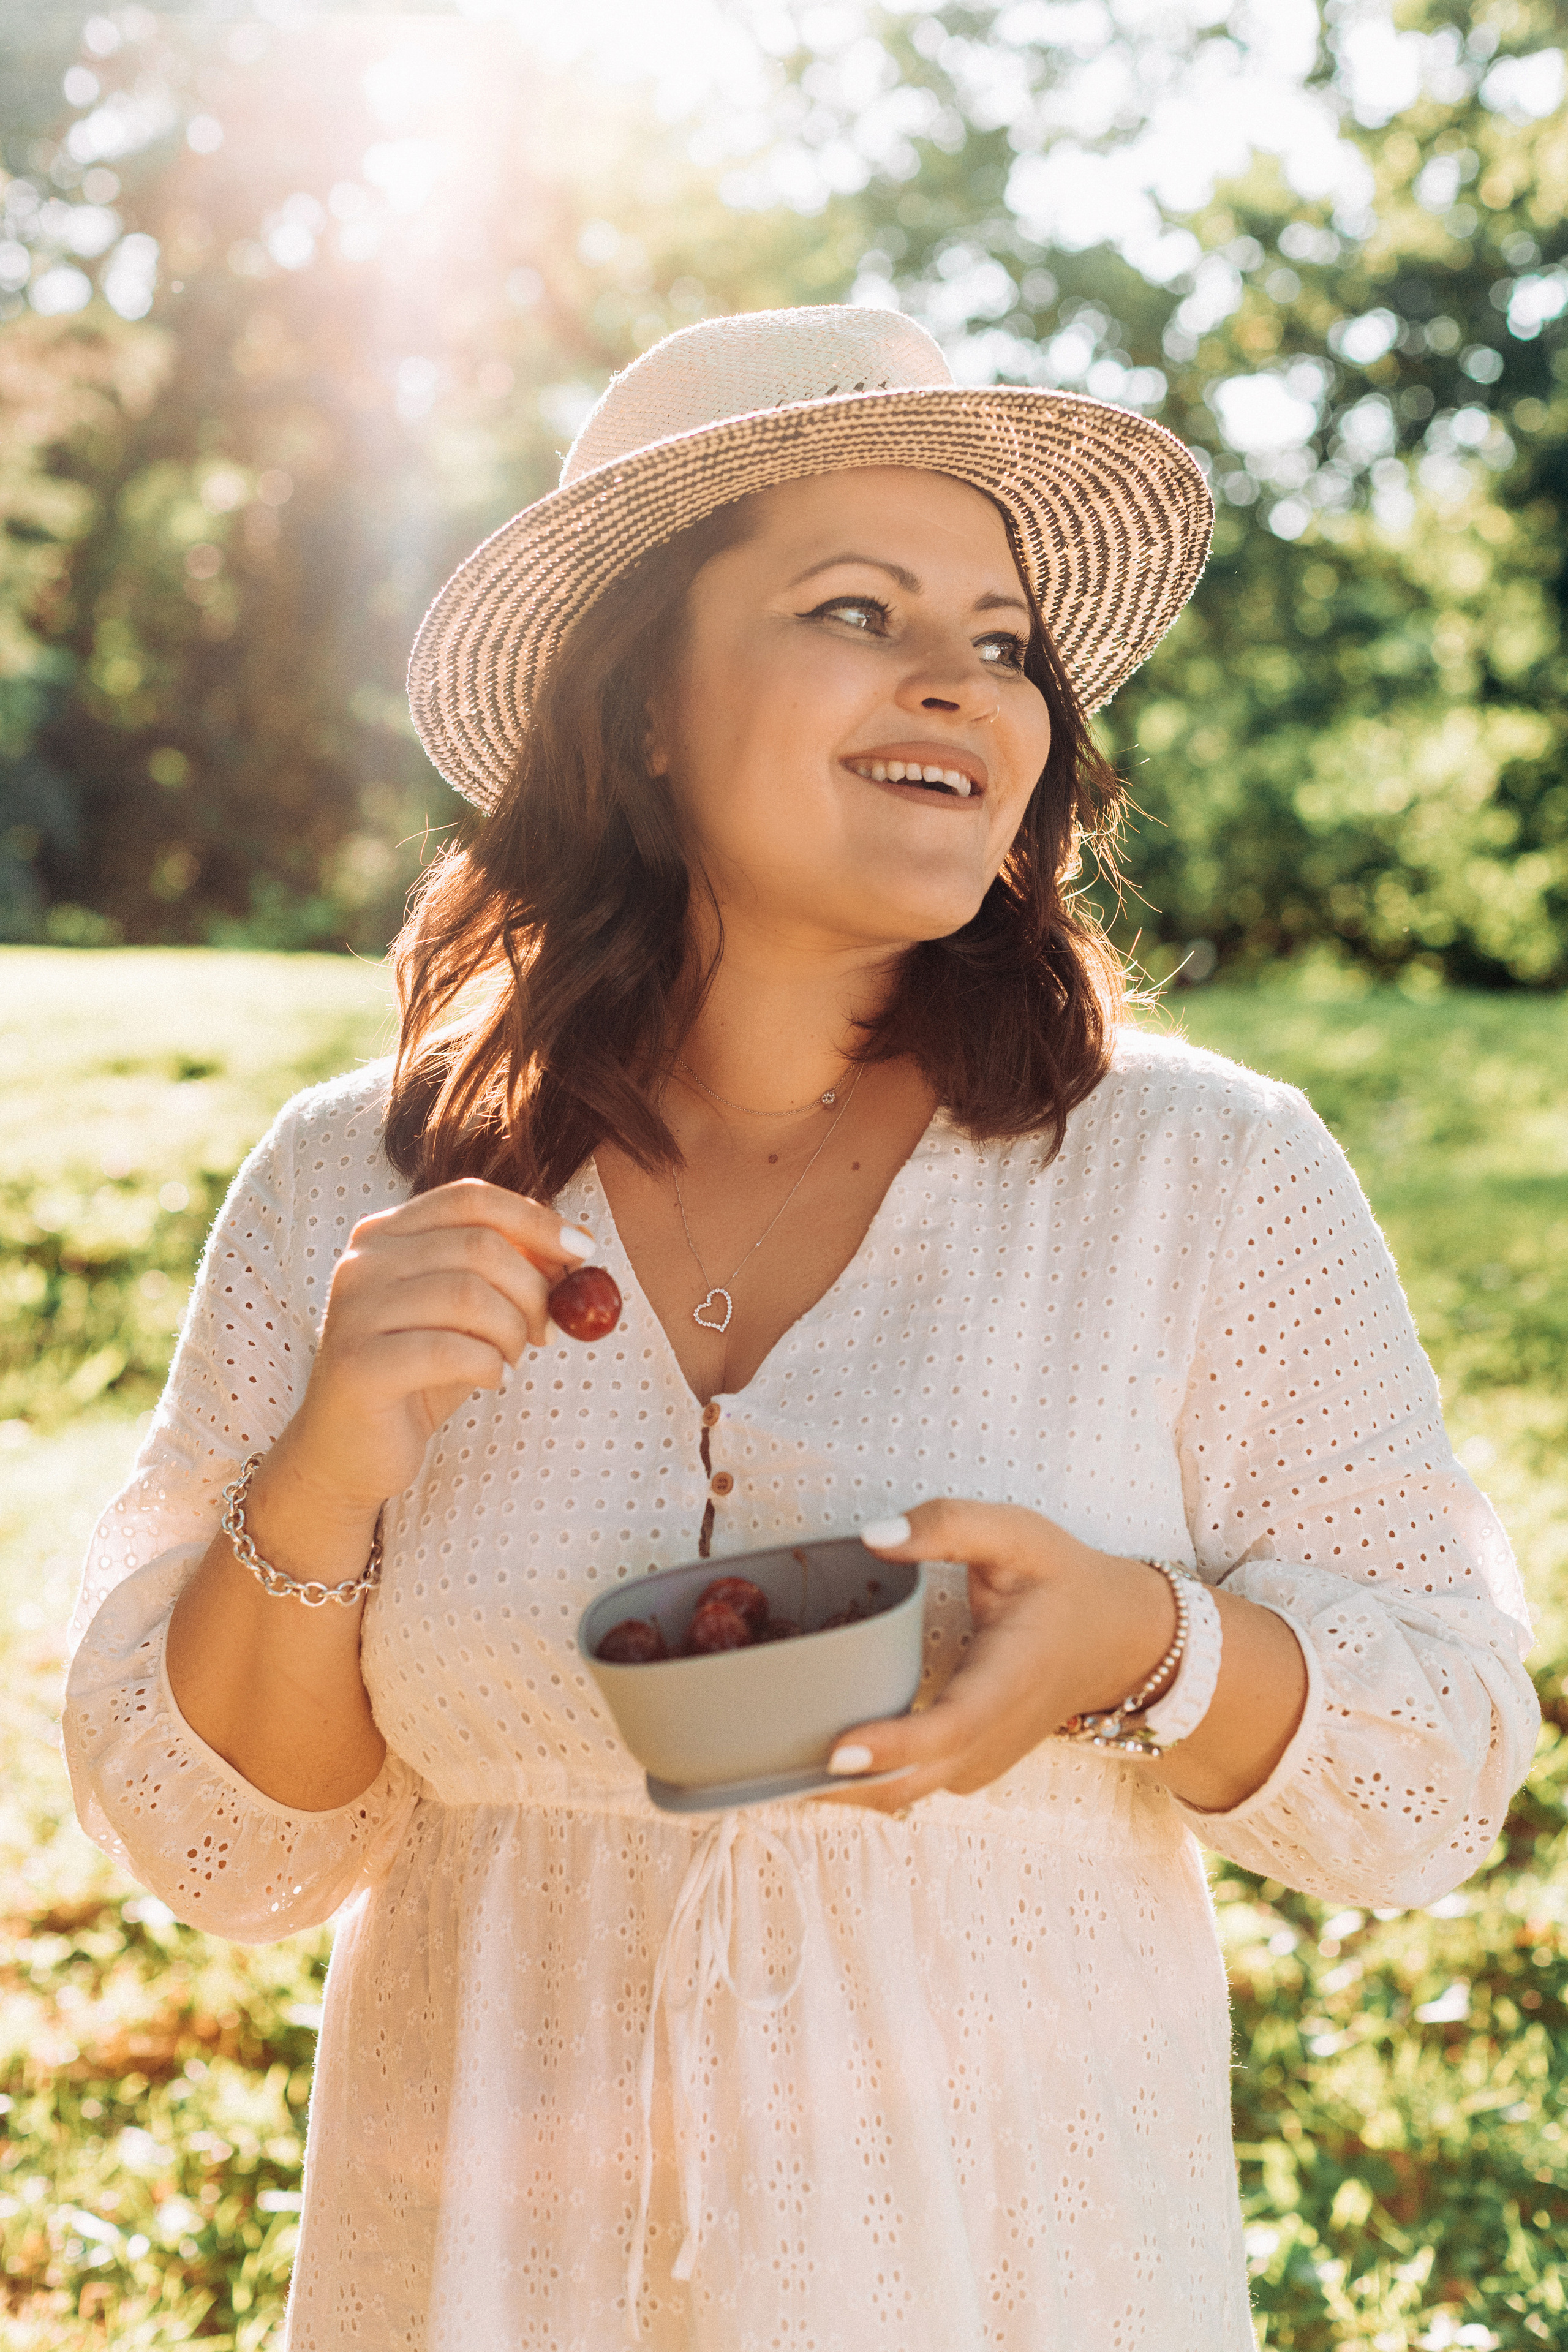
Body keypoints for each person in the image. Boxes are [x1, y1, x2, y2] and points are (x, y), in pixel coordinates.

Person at [64, 304, 1537, 2351]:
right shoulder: (356, 1181)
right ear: (641, 708)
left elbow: (1441, 1766)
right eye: (857, 609)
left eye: (1005, 640)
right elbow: (234, 1848)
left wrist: (1142, 1650)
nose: (962, 680)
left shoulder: (1205, 1180)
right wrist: (324, 1469)